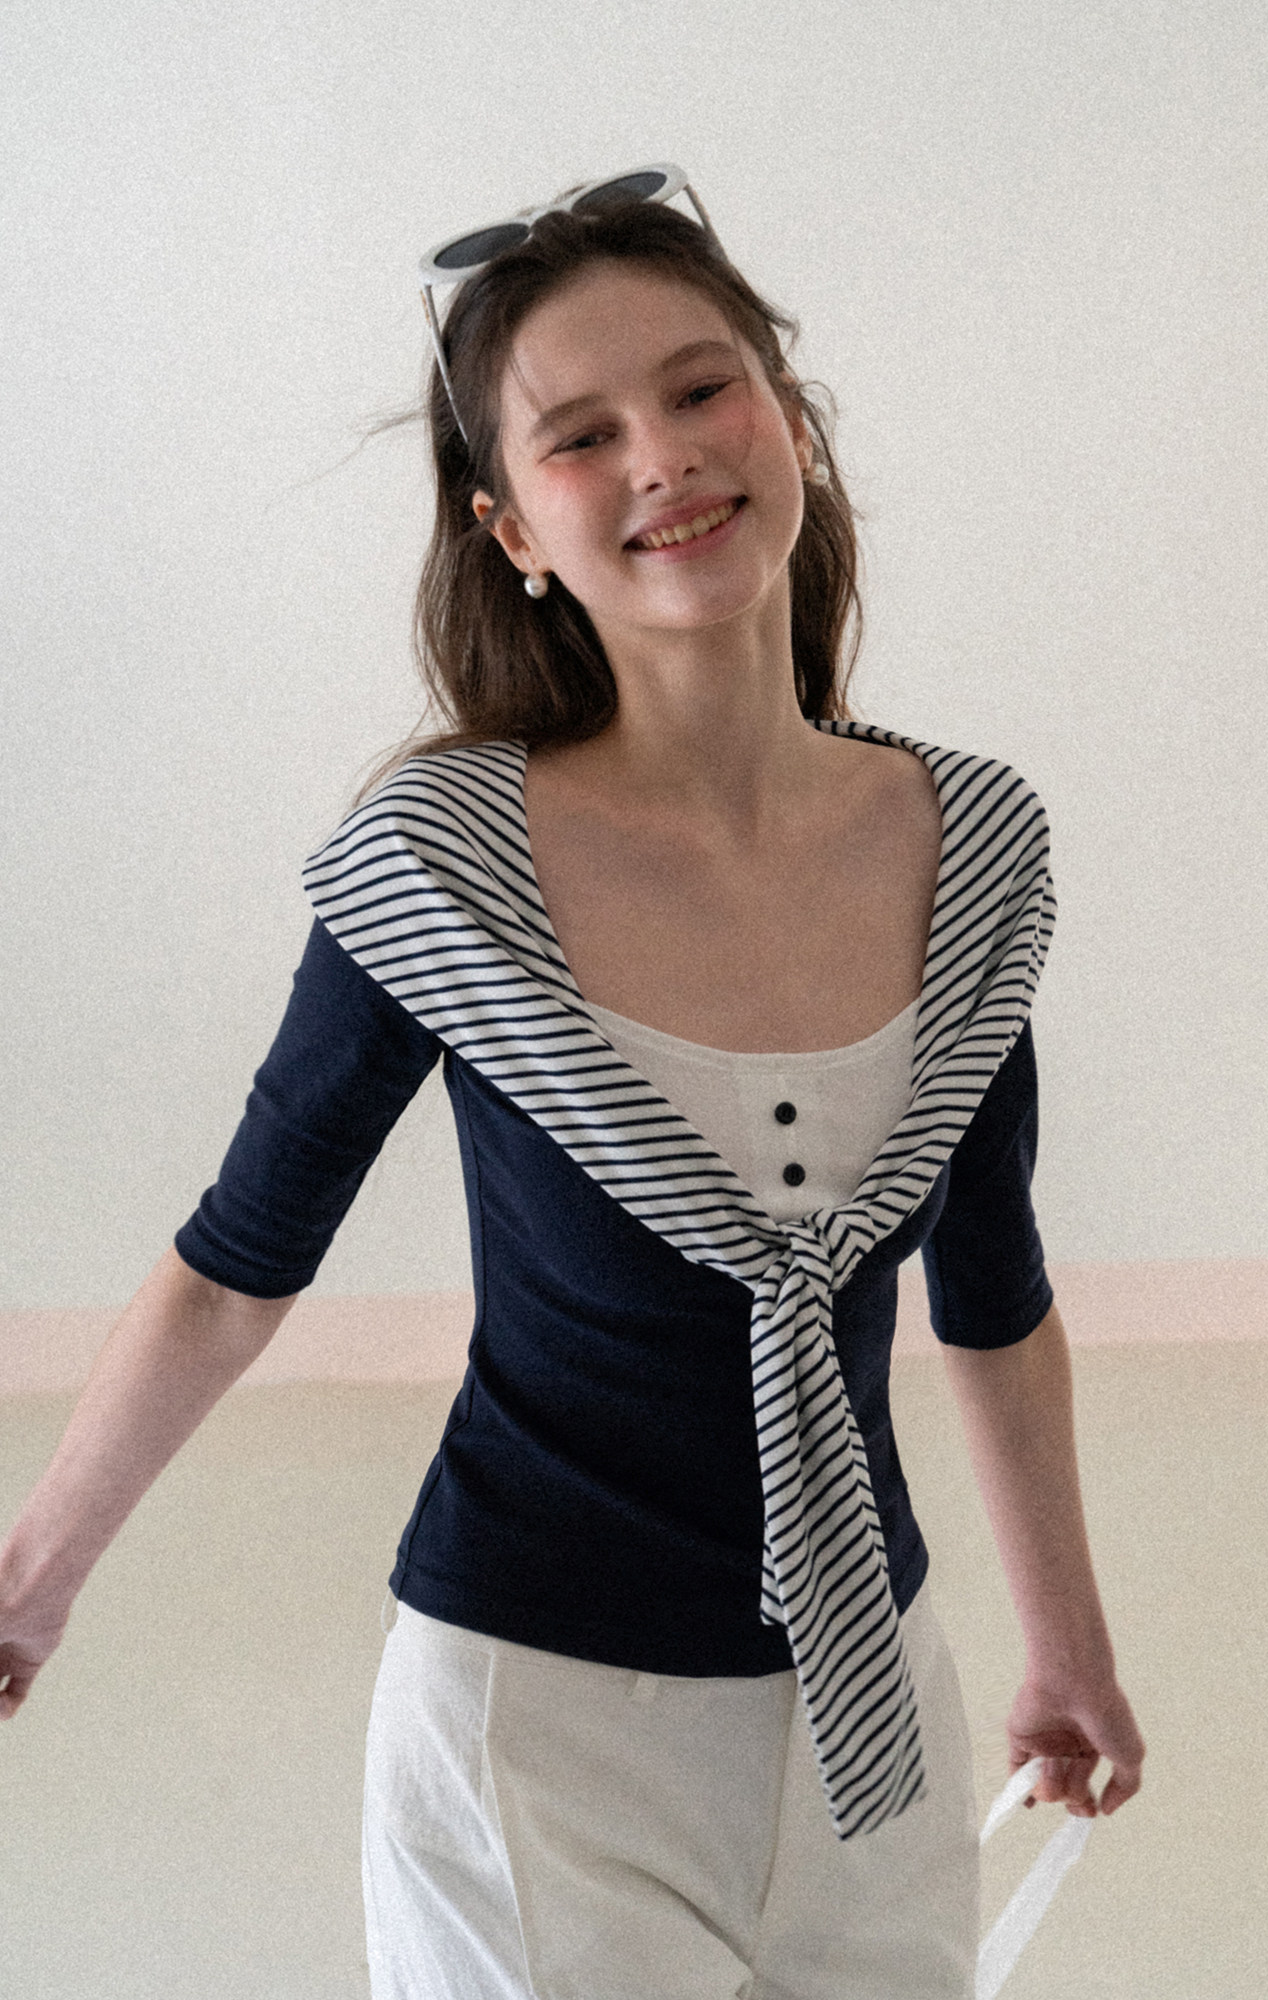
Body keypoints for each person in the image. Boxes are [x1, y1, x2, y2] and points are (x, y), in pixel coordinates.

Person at [0, 169, 1144, 1999]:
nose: (661, 459)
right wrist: (27, 1586)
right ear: (511, 525)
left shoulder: (973, 844)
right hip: (535, 1737)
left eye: (701, 391)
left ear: (789, 420)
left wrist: (1066, 1648)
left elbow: (992, 1290)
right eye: (582, 435)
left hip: (877, 1720)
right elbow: (235, 1267)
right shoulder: (438, 866)